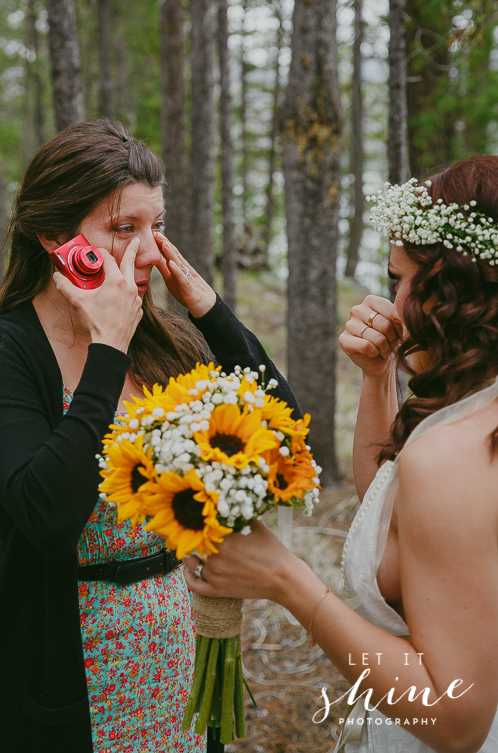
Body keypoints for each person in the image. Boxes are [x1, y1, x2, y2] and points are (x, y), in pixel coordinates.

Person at [0, 119, 302, 753]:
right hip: (66, 659)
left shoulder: (162, 338)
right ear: (56, 237)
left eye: (154, 227)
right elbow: (46, 511)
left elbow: (281, 434)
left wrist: (210, 312)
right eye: (122, 229)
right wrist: (105, 347)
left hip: (174, 645)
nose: (146, 252)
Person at [184, 154, 498, 753]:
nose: (393, 301)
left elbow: (457, 719)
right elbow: (394, 512)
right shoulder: (478, 407)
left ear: (453, 291)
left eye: (402, 281)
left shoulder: (457, 455)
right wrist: (379, 379)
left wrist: (290, 581)